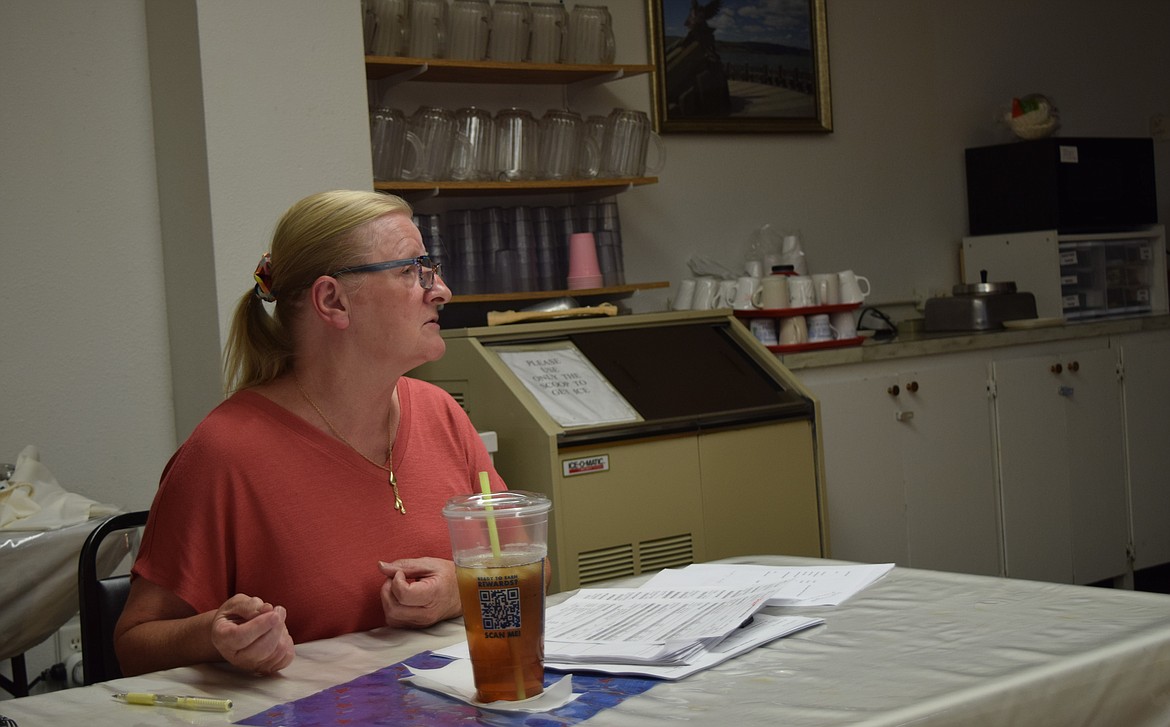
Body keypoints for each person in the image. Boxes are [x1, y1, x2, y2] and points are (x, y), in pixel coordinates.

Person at [114, 190, 507, 676]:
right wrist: (215, 634)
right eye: (411, 270)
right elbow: (133, 645)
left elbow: (530, 568)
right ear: (332, 301)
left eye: (430, 267)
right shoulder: (224, 452)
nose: (441, 289)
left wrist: (461, 590)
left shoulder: (441, 414)